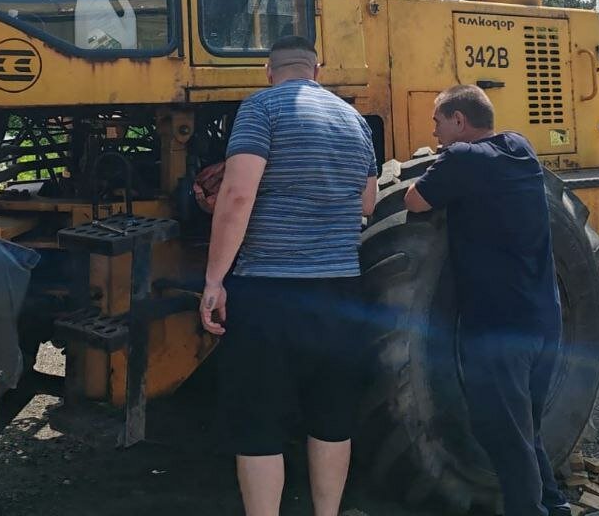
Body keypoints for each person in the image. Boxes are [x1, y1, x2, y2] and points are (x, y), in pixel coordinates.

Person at [199, 35, 379, 516]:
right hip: (340, 292)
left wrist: (214, 280)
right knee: (331, 418)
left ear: (268, 71)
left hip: (270, 292)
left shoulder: (261, 109)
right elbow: (366, 202)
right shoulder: (354, 120)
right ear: (317, 70)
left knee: (259, 423)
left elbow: (238, 195)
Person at [403, 85, 569, 516]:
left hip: (499, 328)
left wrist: (436, 163)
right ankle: (554, 503)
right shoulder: (520, 146)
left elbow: (415, 201)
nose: (434, 132)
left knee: (504, 435)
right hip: (544, 318)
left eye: (438, 122)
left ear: (459, 120)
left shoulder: (462, 159)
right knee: (525, 428)